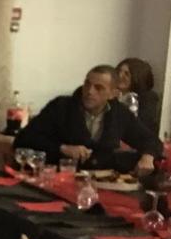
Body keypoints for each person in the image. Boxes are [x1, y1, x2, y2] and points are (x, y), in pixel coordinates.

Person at [15, 64, 161, 173]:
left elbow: (150, 140)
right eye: (87, 84)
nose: (90, 91)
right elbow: (24, 139)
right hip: (60, 178)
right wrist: (62, 148)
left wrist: (147, 157)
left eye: (99, 88)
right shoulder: (61, 107)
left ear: (113, 94)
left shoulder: (119, 113)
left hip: (101, 183)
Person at [116, 56, 162, 136]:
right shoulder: (111, 94)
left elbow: (143, 127)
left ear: (137, 77)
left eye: (126, 74)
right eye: (119, 71)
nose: (120, 76)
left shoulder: (148, 97)